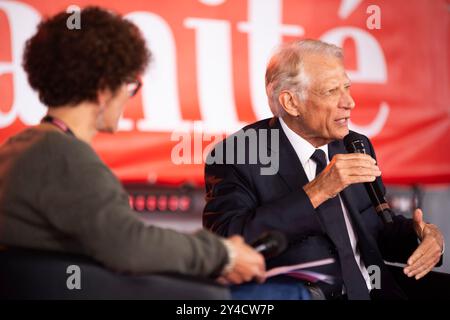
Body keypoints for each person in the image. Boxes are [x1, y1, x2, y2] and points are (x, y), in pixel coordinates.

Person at [0, 7, 265, 289]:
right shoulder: (63, 156)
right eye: (130, 86)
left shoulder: (22, 147)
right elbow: (129, 244)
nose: (129, 98)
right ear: (104, 89)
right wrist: (224, 254)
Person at [203, 39, 445, 300]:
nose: (349, 102)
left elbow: (376, 232)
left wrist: (421, 237)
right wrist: (318, 191)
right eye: (332, 91)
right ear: (291, 102)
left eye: (347, 88)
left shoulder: (355, 144)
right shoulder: (238, 155)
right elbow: (228, 245)